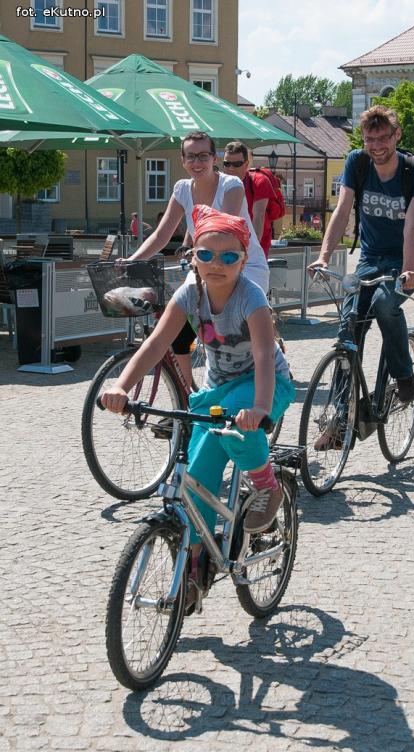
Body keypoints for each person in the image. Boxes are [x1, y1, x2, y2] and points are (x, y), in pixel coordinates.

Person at [101, 205, 295, 609]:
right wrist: (121, 385)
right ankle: (192, 572)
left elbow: (263, 356)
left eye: (229, 256)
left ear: (244, 259)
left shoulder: (251, 298)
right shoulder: (190, 292)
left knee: (242, 429)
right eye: (206, 255)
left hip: (263, 386)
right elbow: (156, 344)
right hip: (218, 390)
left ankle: (266, 485)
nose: (216, 264)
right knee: (197, 484)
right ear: (193, 258)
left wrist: (260, 409)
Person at [308, 105, 414, 446]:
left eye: (383, 137)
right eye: (370, 139)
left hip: (406, 257)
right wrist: (323, 257)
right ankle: (339, 417)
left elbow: (412, 226)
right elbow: (342, 210)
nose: (377, 145)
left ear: (397, 136)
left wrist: (409, 271)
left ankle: (405, 375)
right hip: (371, 256)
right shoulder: (357, 163)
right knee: (348, 326)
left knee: (383, 303)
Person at [127, 131, 269, 389]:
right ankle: (188, 396)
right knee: (179, 332)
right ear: (182, 160)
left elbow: (221, 231)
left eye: (203, 156)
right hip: (206, 263)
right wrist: (132, 260)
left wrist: (196, 256)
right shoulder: (182, 189)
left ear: (214, 158)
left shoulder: (231, 186)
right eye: (191, 156)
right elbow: (161, 234)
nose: (197, 162)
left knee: (232, 336)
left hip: (241, 265)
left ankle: (260, 375)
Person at [222, 140, 277, 257]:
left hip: (256, 244)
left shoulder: (259, 181)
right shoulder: (219, 184)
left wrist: (250, 249)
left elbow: (259, 215)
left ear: (246, 164)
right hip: (227, 244)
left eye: (236, 164)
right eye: (227, 164)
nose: (231, 168)